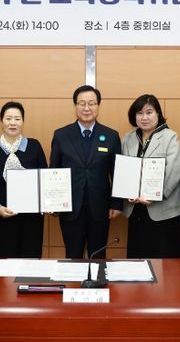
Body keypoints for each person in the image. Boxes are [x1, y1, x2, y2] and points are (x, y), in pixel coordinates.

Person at [50, 85, 122, 258]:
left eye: (92, 103)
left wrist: (117, 203)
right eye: (82, 103)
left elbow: (117, 172)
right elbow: (54, 171)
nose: (87, 108)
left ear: (98, 106)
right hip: (70, 208)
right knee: (73, 256)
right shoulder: (61, 135)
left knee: (98, 256)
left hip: (100, 208)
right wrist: (52, 202)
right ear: (75, 106)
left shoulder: (111, 135)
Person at [121, 94, 180, 258]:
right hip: (136, 209)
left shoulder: (170, 137)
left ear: (158, 113)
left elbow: (174, 171)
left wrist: (156, 195)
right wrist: (126, 191)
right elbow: (124, 170)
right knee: (138, 260)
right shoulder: (128, 138)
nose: (144, 117)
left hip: (164, 210)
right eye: (139, 113)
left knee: (166, 263)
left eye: (149, 112)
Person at [0, 102, 47, 258]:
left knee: (32, 261)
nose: (13, 123)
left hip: (32, 218)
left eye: (17, 118)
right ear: (1, 121)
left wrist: (48, 202)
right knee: (7, 261)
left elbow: (45, 179)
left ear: (23, 121)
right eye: (8, 118)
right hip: (4, 217)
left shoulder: (34, 146)